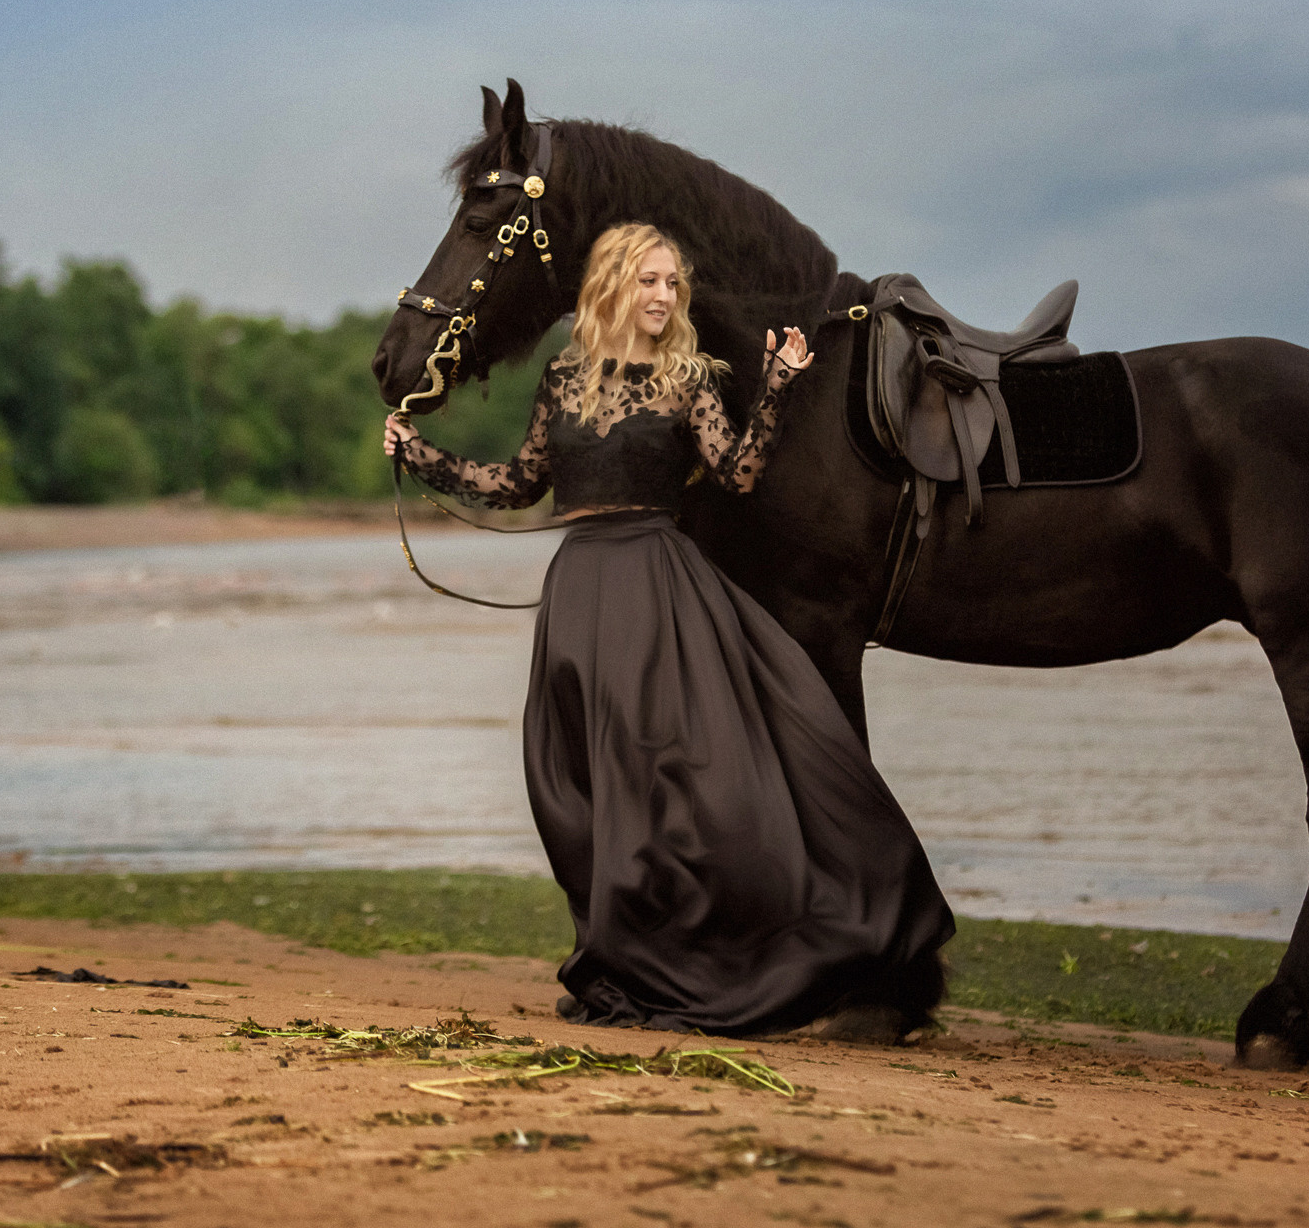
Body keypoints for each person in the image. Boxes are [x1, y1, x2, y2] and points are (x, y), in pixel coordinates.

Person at [384, 222, 953, 1039]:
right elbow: (517, 482)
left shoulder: (689, 381)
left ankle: (772, 944)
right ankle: (619, 959)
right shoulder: (563, 380)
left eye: (671, 285)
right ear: (613, 284)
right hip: (581, 593)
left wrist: (780, 385)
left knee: (684, 782)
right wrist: (420, 454)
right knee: (583, 788)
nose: (662, 297)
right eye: (648, 281)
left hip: (658, 585)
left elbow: (739, 473)